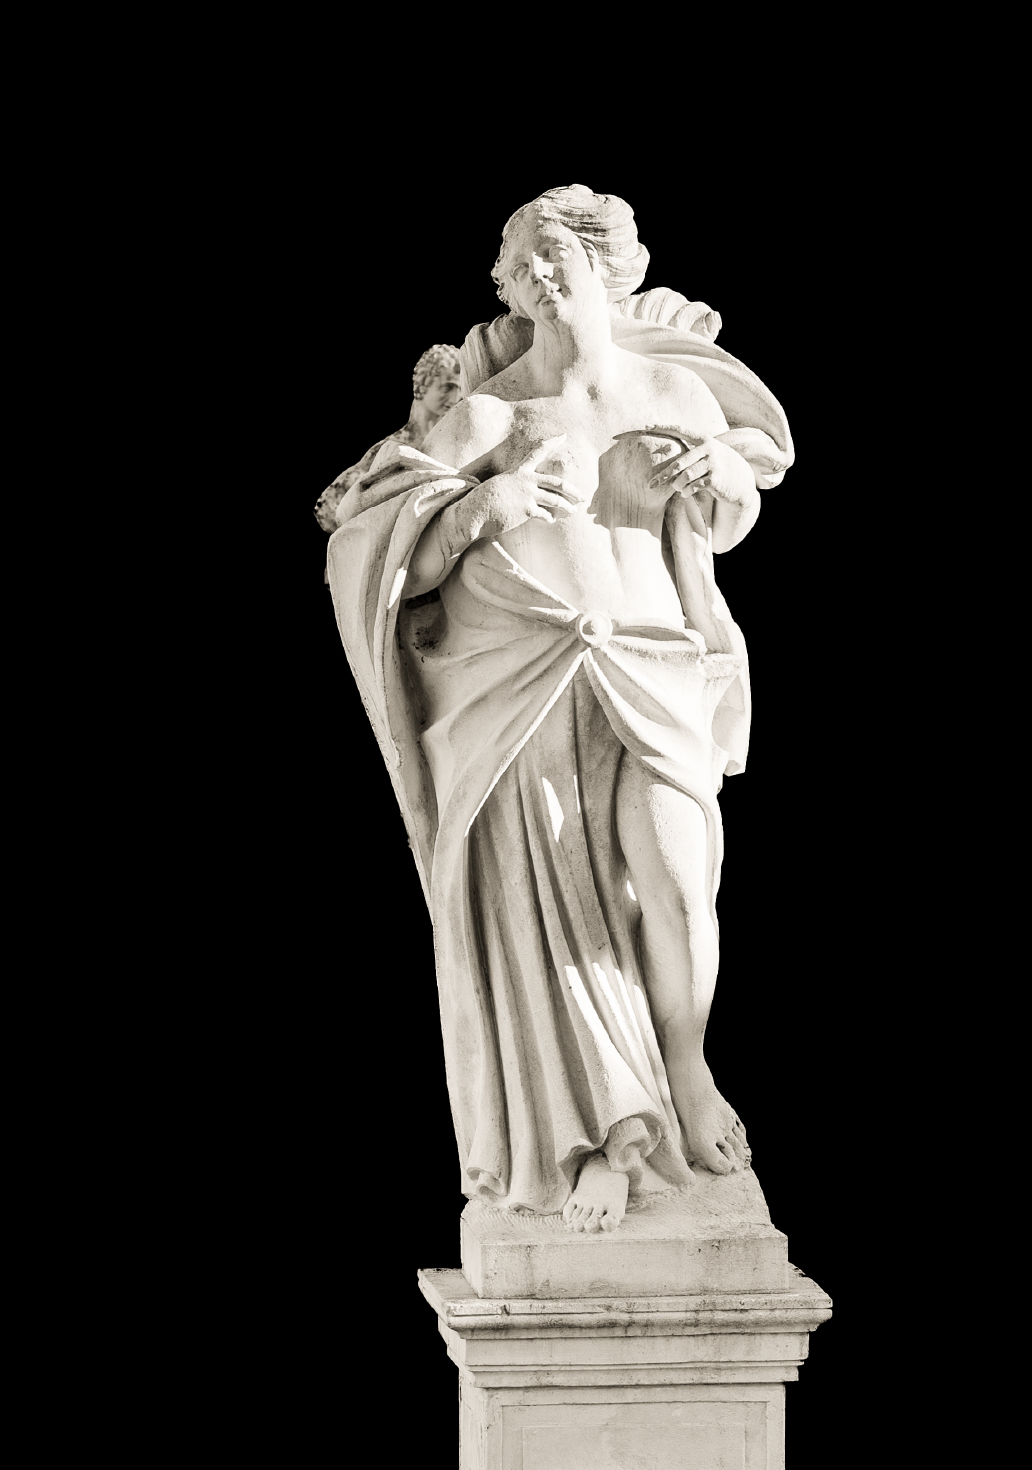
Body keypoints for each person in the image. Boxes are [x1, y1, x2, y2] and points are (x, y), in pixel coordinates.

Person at [324, 187, 792, 1233]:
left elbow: (726, 521)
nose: (538, 274)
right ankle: (606, 1134)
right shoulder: (495, 414)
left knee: (678, 889)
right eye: (519, 262)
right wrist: (480, 509)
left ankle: (686, 1070)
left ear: (604, 264)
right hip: (526, 679)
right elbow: (371, 542)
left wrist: (721, 470)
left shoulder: (673, 389)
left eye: (554, 253)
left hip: (653, 663)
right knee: (559, 905)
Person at [314, 344, 464, 533]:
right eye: (447, 387)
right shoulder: (395, 447)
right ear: (422, 385)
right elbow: (327, 510)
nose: (455, 398)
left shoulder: (454, 442)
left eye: (459, 390)